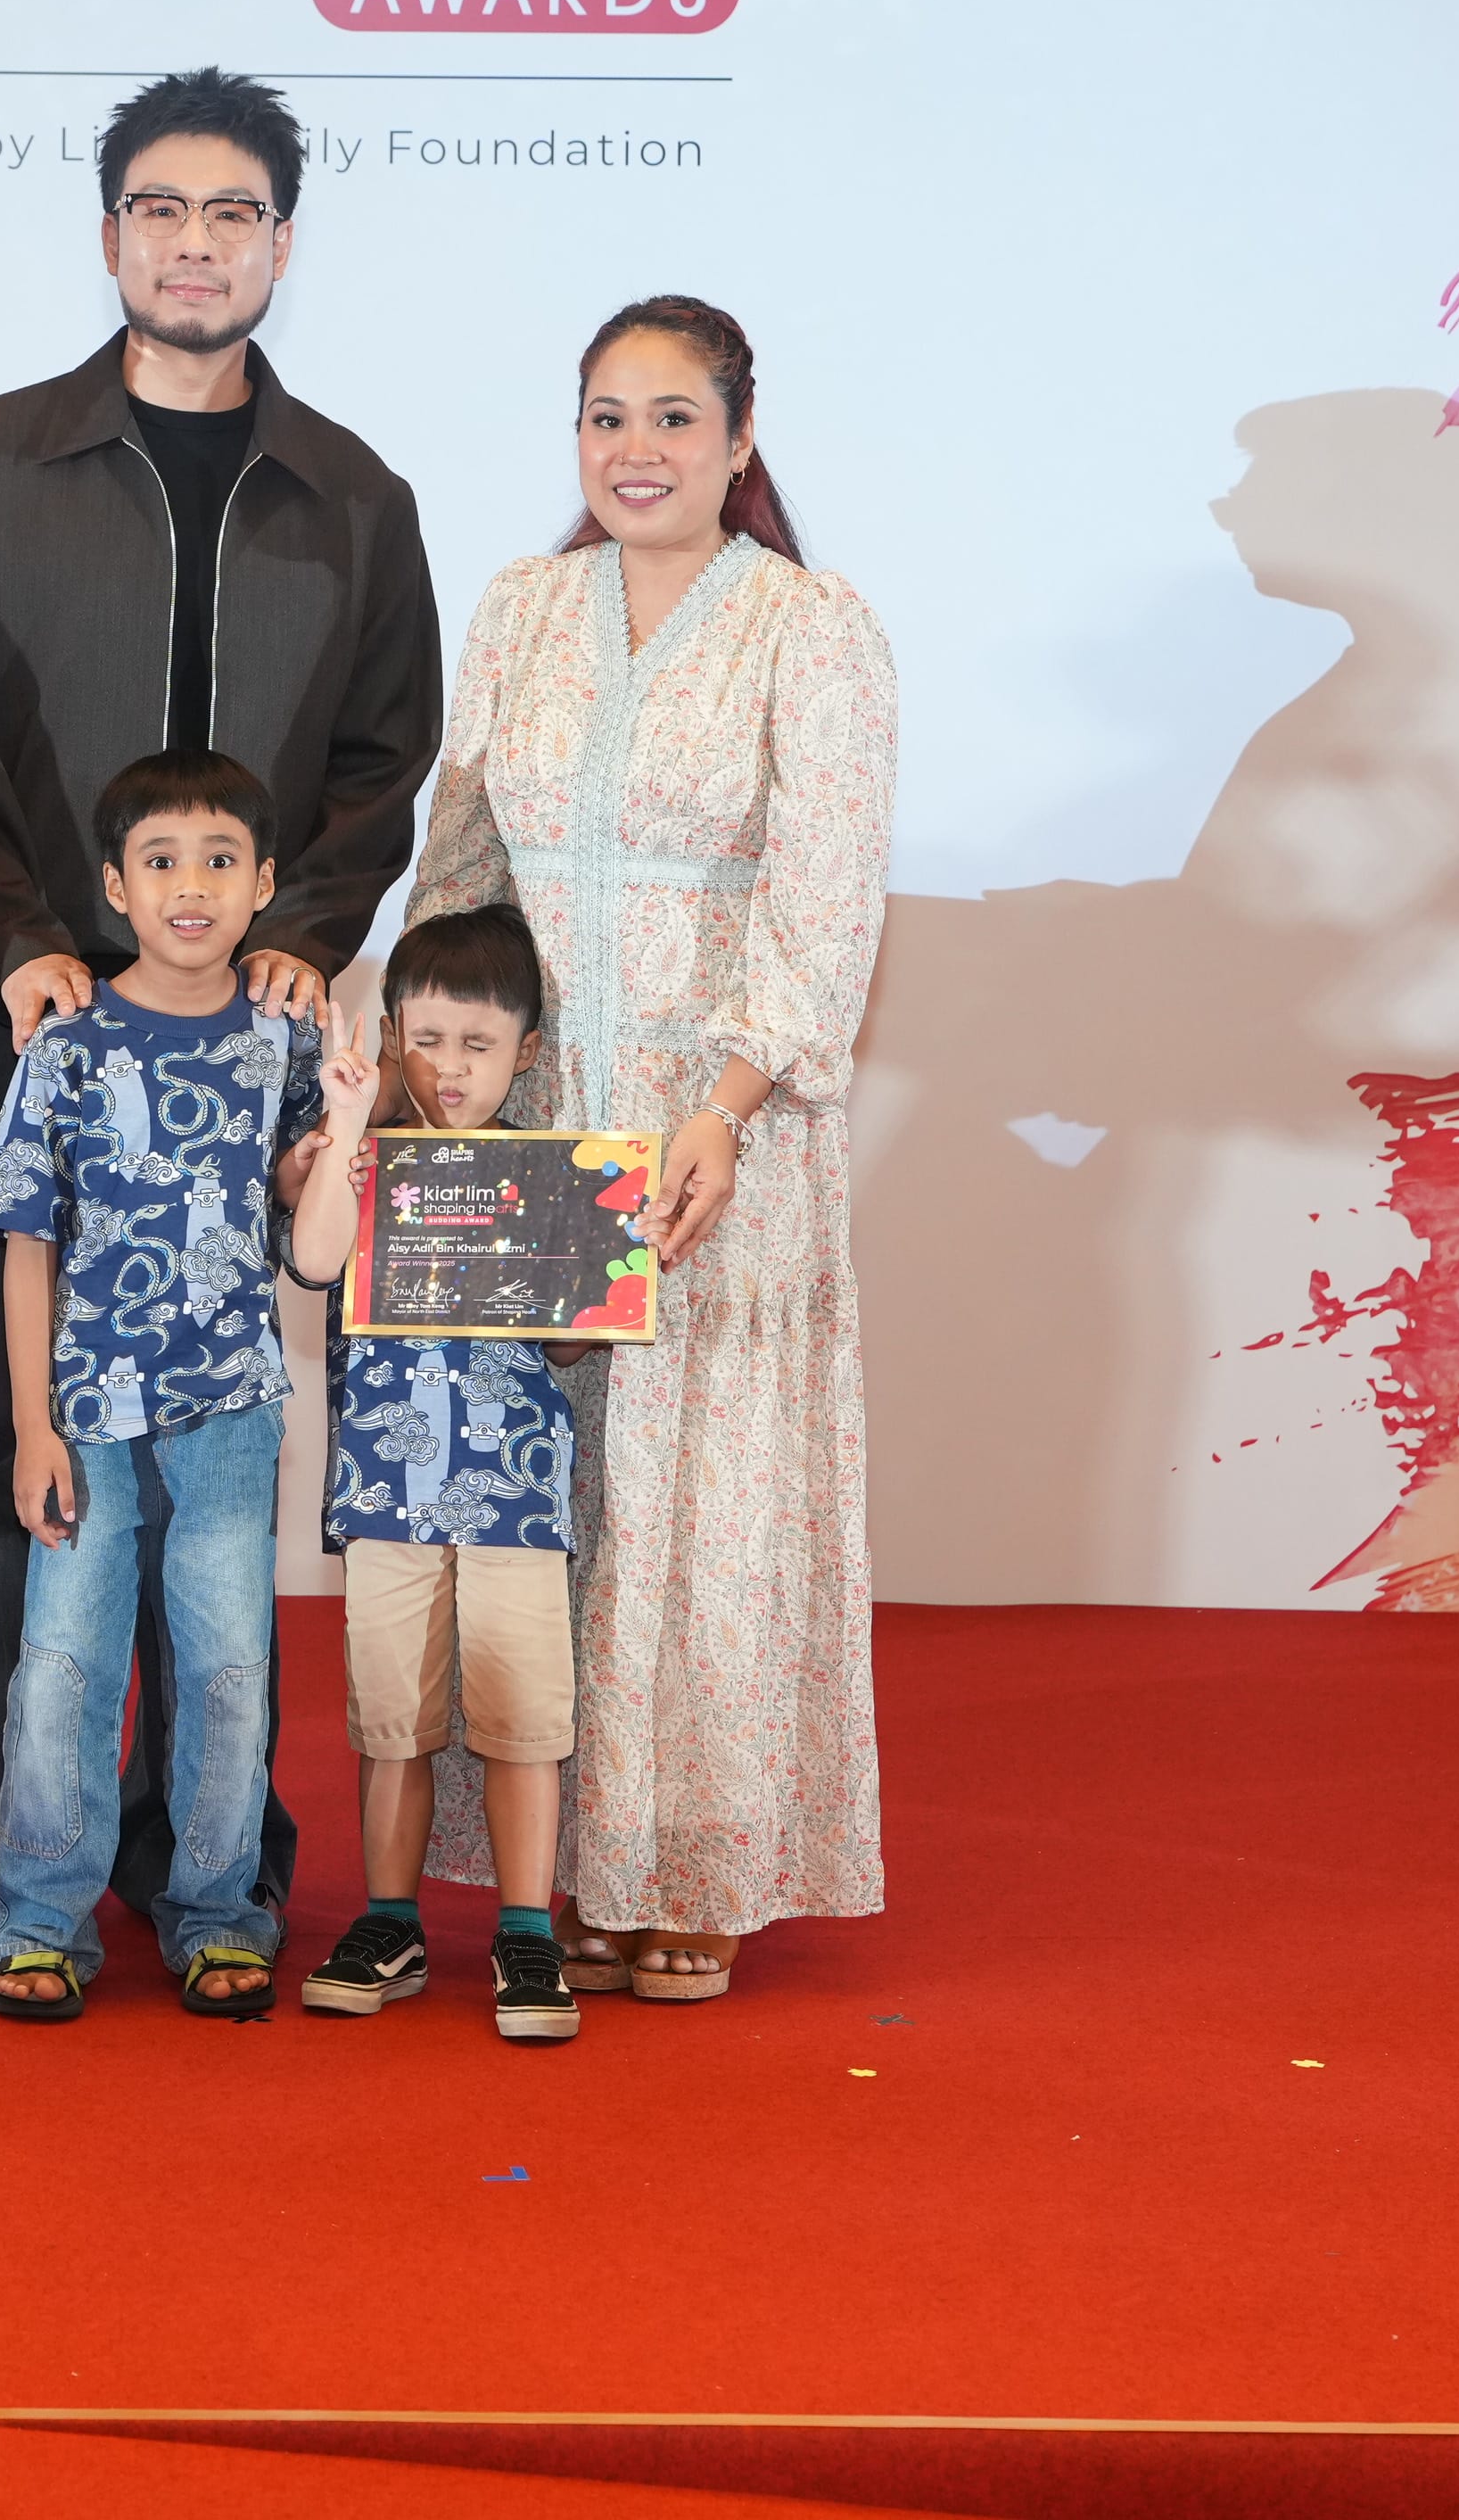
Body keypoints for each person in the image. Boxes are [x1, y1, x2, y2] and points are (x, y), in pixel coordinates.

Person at [0, 68, 443, 1970]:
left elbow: (387, 753)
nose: (195, 245)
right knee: (22, 1431)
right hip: (36, 1018)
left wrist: (306, 924)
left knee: (217, 1438)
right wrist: (18, 930)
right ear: (109, 231)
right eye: (161, 211)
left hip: (255, 1045)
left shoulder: (356, 498)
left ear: (282, 241)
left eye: (232, 215)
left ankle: (203, 1850)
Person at [407, 298, 896, 2006]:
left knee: (708, 1496)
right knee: (553, 1494)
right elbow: (459, 869)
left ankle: (690, 1863)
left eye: (674, 418)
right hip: (538, 1120)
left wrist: (727, 1104)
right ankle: (552, 1875)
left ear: (741, 439)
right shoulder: (521, 608)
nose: (636, 449)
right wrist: (428, 1072)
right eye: (605, 415)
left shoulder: (811, 627)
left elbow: (825, 898)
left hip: (717, 1135)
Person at [0, 748, 326, 2021]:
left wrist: (334, 1144)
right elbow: (26, 1246)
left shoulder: (285, 1039)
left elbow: (305, 1209)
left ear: (264, 882)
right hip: (88, 1413)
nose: (191, 886)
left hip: (232, 1407)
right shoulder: (65, 1045)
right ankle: (41, 1917)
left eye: (221, 861)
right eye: (160, 861)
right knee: (63, 1663)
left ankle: (219, 1909)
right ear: (114, 886)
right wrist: (30, 1427)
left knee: (230, 1666)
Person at [280, 901, 585, 2045]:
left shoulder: (555, 1175)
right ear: (391, 1030)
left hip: (516, 1493)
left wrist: (608, 1274)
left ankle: (525, 1930)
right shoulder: (367, 1161)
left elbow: (569, 1342)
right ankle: (392, 1919)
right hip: (389, 1494)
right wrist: (348, 1120)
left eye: (480, 1044)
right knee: (392, 1716)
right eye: (428, 1038)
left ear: (526, 1053)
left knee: (523, 1715)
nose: (449, 1068)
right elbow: (313, 1261)